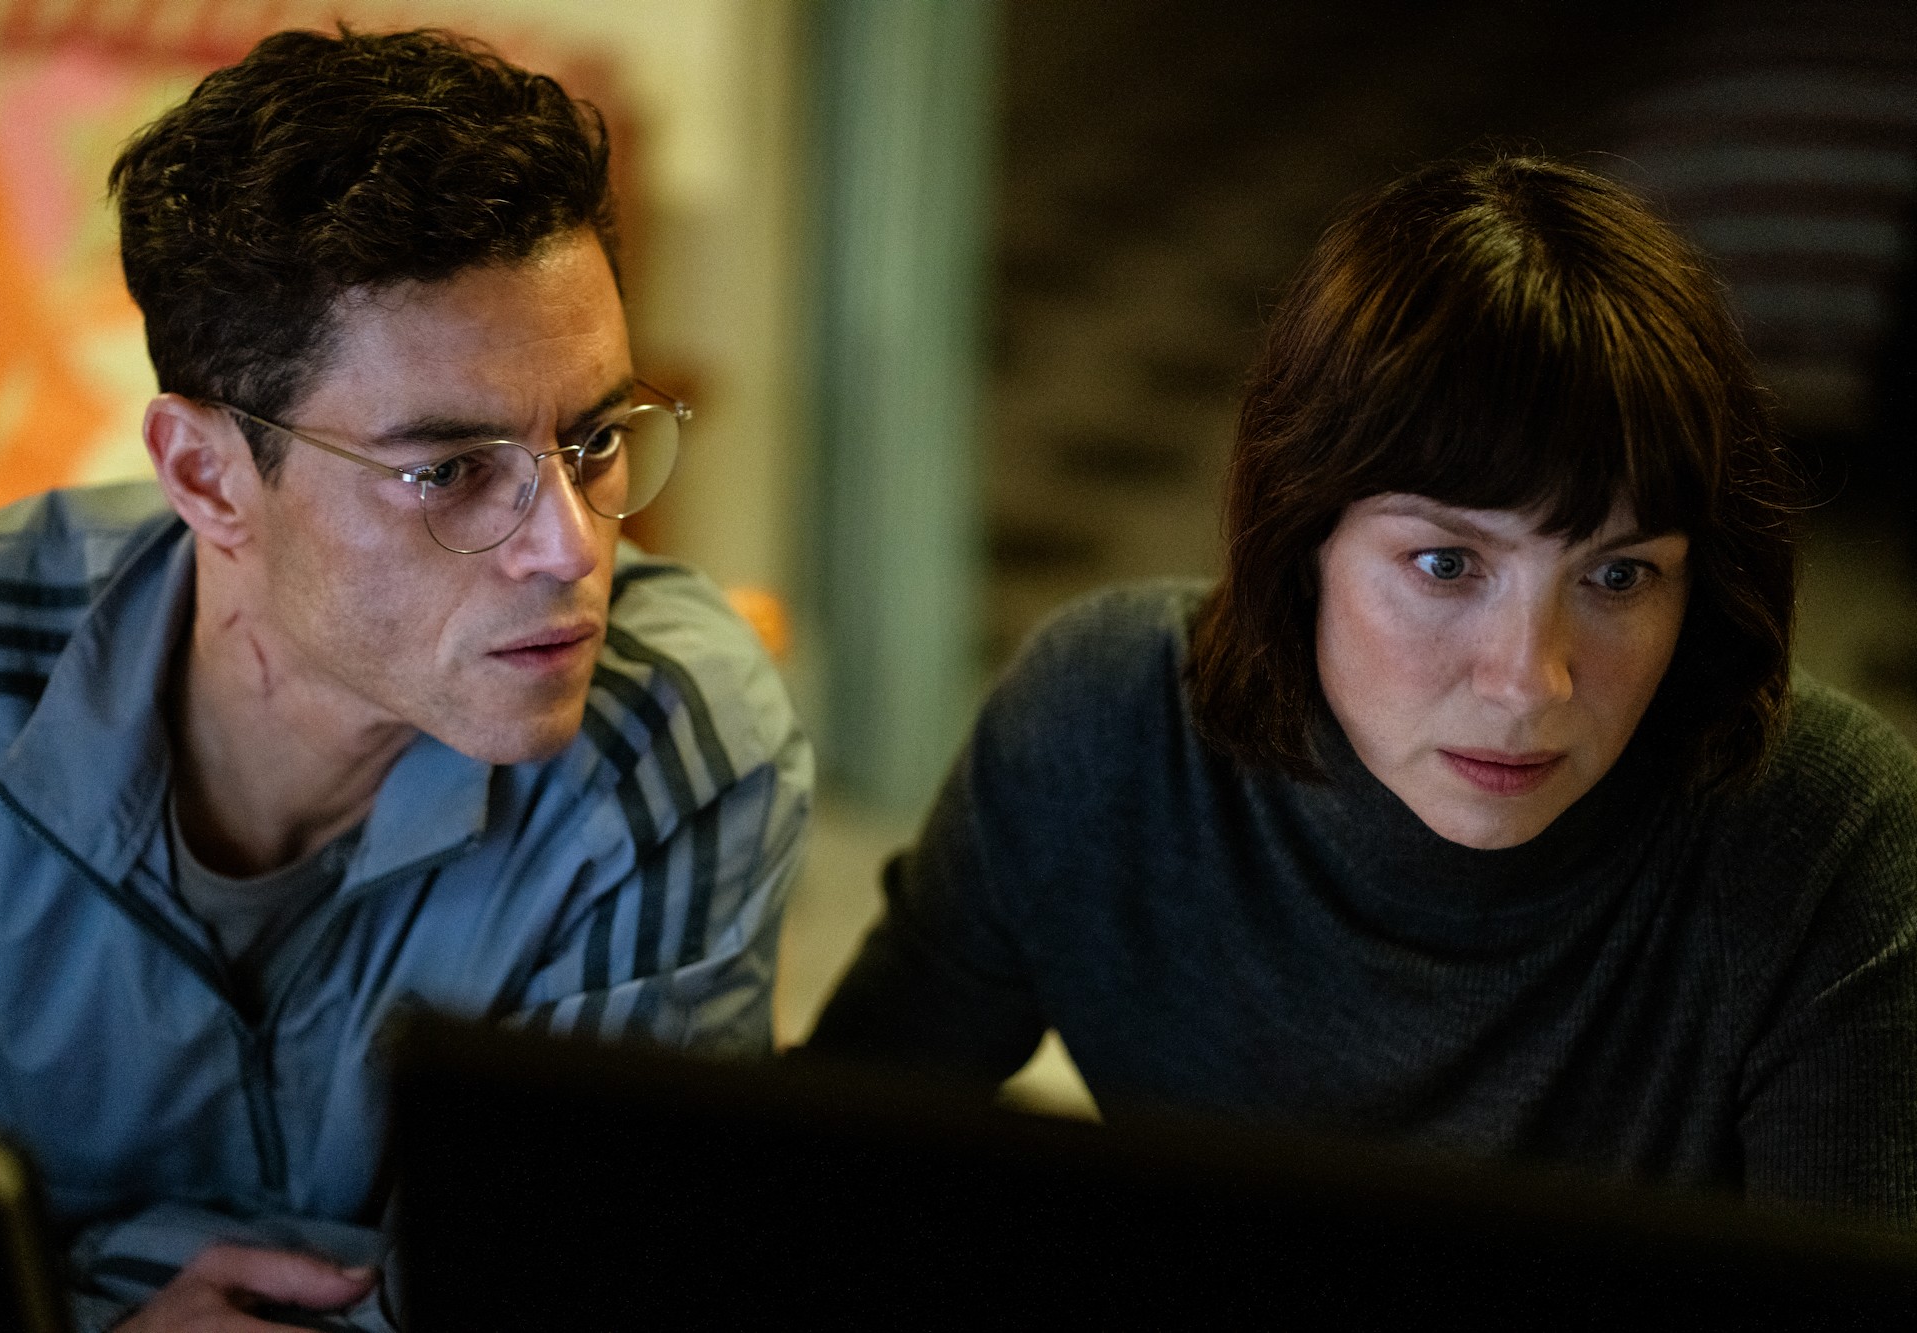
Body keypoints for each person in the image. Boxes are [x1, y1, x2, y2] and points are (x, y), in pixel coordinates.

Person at [806, 155, 1917, 1225]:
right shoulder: (1106, 724)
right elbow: (843, 1145)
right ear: (1303, 539)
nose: (1527, 682)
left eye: (1617, 577)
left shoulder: (1826, 841)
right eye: (1446, 563)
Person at [0, 27, 810, 1332]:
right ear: (207, 476)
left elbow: (603, 1280)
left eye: (594, 440)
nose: (572, 548)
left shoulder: (666, 739)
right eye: (447, 470)